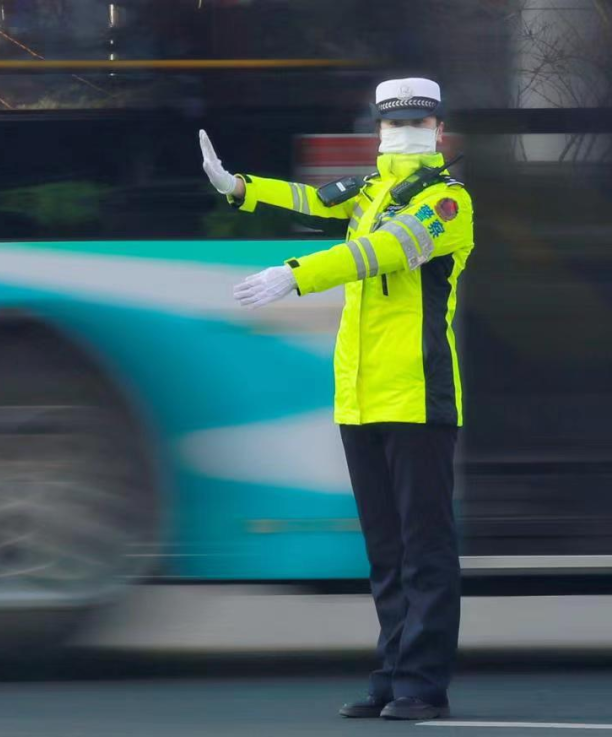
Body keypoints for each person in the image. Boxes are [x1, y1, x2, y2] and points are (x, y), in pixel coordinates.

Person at [199, 77, 474, 722]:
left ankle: (423, 685)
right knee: (386, 553)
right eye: (393, 124)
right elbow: (312, 198)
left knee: (425, 549)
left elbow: (385, 251)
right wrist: (238, 187)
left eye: (418, 124)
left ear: (439, 132)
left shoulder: (447, 201)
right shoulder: (371, 192)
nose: (405, 134)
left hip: (417, 396)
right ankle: (392, 675)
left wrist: (295, 275)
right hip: (359, 396)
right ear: (378, 131)